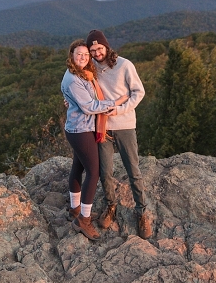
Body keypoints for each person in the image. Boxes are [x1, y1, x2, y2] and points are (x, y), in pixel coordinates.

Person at [85, 29, 152, 239]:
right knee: (105, 172)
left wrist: (120, 110)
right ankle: (110, 206)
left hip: (124, 125)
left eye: (99, 48)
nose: (96, 53)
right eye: (92, 50)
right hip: (102, 126)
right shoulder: (90, 68)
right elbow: (80, 88)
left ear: (106, 46)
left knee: (133, 170)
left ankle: (142, 212)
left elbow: (138, 92)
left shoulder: (124, 65)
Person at [61, 39, 129, 241]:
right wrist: (115, 103)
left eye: (85, 54)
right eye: (78, 54)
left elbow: (77, 98)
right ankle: (84, 219)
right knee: (94, 171)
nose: (82, 57)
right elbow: (89, 106)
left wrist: (70, 101)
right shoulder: (74, 78)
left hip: (79, 127)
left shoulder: (83, 74)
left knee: (78, 167)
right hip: (80, 130)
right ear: (71, 56)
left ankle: (75, 209)